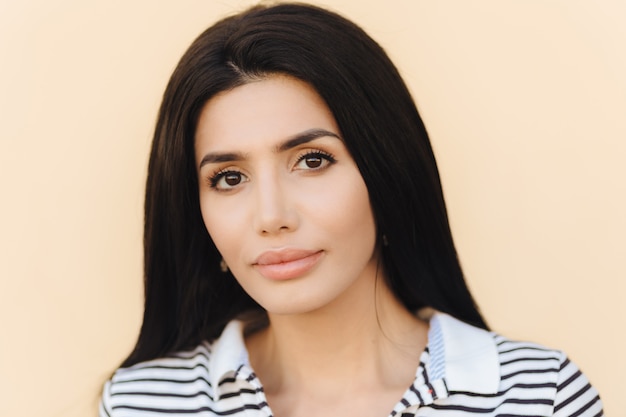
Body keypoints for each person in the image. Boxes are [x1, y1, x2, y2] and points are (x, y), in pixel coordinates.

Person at [100, 3, 603, 416]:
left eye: (313, 161)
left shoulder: (539, 397)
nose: (271, 215)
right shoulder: (142, 405)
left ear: (387, 171)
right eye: (229, 179)